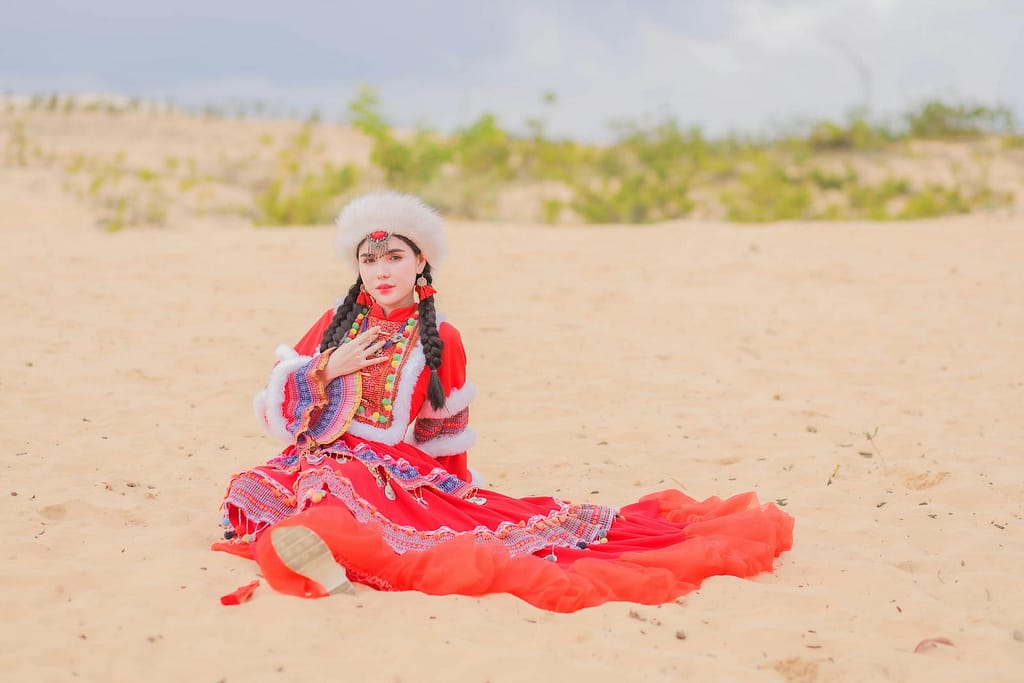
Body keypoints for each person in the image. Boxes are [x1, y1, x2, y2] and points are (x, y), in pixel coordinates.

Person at [214, 191, 794, 613]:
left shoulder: (443, 340)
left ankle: (329, 558)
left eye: (394, 257)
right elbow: (275, 411)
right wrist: (326, 368)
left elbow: (445, 432)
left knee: (343, 525)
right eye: (369, 260)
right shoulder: (336, 323)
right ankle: (319, 549)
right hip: (316, 462)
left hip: (386, 472)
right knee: (248, 494)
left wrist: (456, 492)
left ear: (420, 262)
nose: (381, 271)